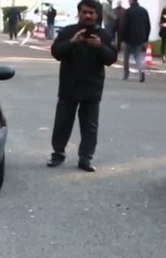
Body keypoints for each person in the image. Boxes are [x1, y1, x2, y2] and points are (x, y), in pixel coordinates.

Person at [48, 0, 118, 172]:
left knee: (90, 126)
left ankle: (85, 158)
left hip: (92, 88)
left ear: (97, 15)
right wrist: (72, 42)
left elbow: (111, 59)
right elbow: (56, 52)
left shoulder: (104, 35)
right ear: (78, 13)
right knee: (63, 122)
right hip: (69, 87)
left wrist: (99, 47)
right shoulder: (68, 32)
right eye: (84, 12)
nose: (87, 16)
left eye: (91, 13)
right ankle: (58, 153)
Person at [120, 0, 153, 80]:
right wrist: (145, 38)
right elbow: (148, 25)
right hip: (140, 38)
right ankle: (141, 70)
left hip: (129, 38)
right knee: (138, 56)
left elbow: (124, 26)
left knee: (126, 57)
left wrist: (122, 39)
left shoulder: (128, 11)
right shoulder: (144, 11)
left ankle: (126, 74)